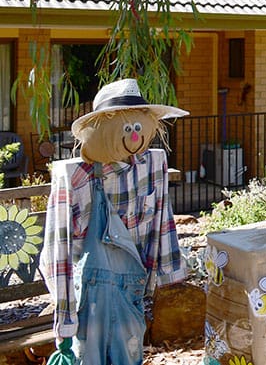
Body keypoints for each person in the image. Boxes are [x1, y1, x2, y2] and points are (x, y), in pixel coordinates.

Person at [42, 78, 188, 365]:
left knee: (129, 357)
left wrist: (170, 273)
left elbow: (163, 217)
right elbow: (56, 249)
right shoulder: (76, 177)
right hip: (88, 297)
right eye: (127, 128)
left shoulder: (152, 165)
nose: (135, 137)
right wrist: (65, 321)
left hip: (131, 290)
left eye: (138, 128)